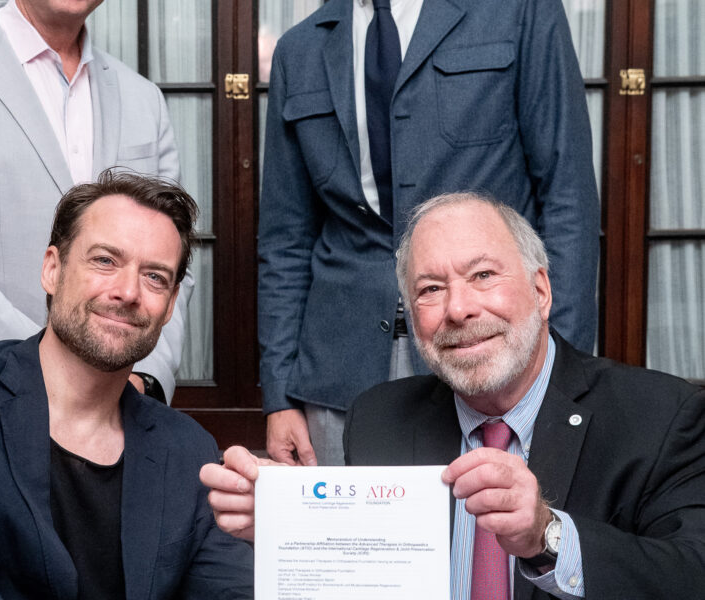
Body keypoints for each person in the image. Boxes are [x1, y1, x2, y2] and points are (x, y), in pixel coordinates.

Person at [202, 193, 705, 599]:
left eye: (483, 276)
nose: (458, 309)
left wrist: (547, 535)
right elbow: (370, 573)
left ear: (541, 291)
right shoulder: (380, 419)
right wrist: (291, 525)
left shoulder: (660, 416)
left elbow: (691, 575)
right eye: (430, 289)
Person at [0, 171, 253, 600]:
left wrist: (289, 525)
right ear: (52, 270)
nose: (128, 292)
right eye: (105, 261)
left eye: (154, 277)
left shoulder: (188, 450)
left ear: (169, 307)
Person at [259, 0, 600, 465]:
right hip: (337, 374)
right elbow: (286, 240)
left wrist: (563, 366)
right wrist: (280, 395)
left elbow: (568, 195)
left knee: (499, 512)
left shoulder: (520, 12)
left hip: (491, 351)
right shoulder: (299, 49)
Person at [0, 0, 188, 403]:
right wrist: (55, 377)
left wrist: (144, 379)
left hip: (119, 408)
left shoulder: (143, 98)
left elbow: (172, 265)